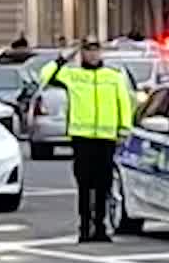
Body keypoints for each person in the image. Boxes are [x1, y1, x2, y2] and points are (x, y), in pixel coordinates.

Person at [39, 40, 135, 242]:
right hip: (82, 138)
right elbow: (44, 76)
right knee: (84, 185)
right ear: (82, 53)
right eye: (88, 51)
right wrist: (63, 58)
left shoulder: (113, 76)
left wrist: (124, 129)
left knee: (103, 185)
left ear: (101, 53)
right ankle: (84, 227)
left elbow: (123, 103)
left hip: (106, 138)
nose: (92, 55)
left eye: (95, 50)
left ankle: (100, 227)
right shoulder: (73, 75)